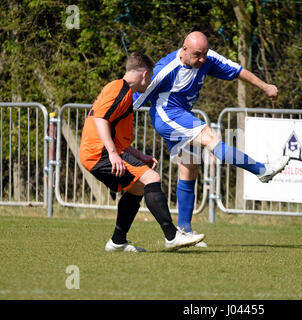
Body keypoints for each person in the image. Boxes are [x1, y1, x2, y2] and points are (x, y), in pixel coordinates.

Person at [133, 32, 290, 246]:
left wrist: (265, 86)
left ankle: (184, 231)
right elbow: (134, 97)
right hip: (167, 114)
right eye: (197, 55)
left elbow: (237, 71)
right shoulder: (165, 70)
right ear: (184, 49)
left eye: (204, 54)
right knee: (211, 137)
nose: (202, 60)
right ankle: (262, 170)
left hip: (180, 114)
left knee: (190, 167)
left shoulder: (207, 58)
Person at [79, 51, 205, 252]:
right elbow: (100, 119)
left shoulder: (123, 92)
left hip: (99, 152)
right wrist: (112, 153)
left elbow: (114, 132)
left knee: (137, 188)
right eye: (151, 76)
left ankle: (118, 241)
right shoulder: (117, 89)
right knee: (152, 178)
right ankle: (172, 236)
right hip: (100, 153)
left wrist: (139, 156)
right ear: (144, 75)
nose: (149, 83)